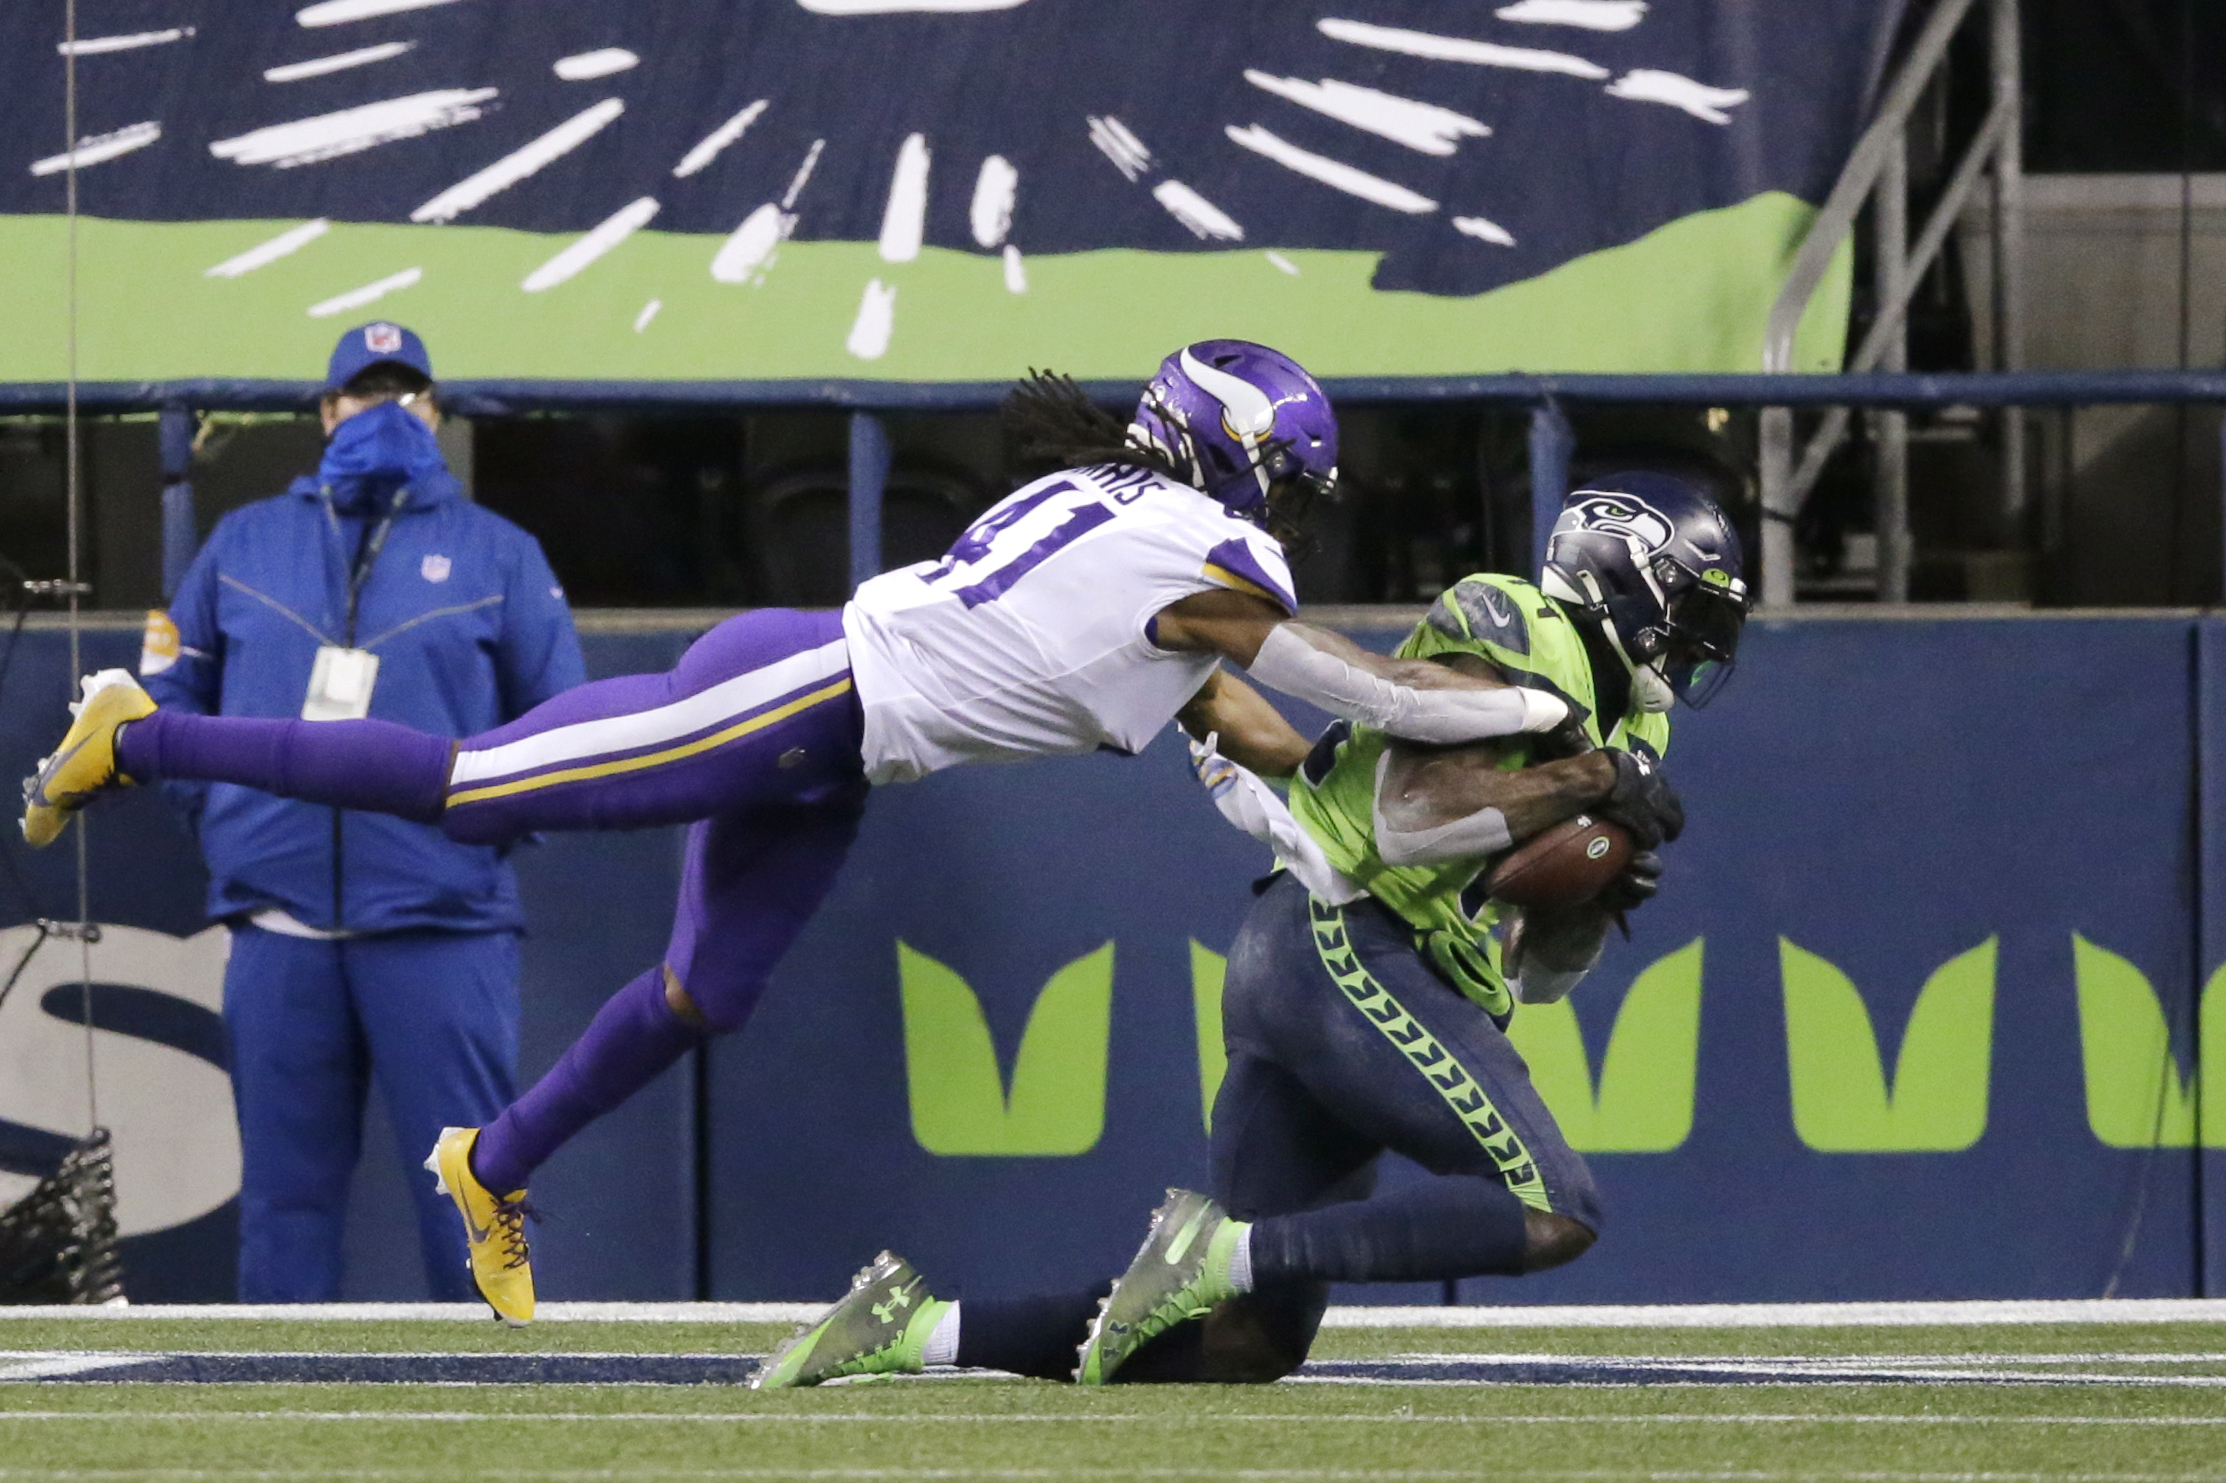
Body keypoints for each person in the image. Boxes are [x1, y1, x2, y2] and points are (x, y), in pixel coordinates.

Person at [22, 340, 1579, 1324]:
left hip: (834, 738)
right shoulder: (1194, 548)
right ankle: (141, 731)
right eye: (1285, 482)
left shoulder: (1145, 537)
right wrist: (1536, 732)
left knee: (707, 991)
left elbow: (1256, 733)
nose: (1291, 514)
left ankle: (490, 1165)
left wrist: (1395, 814)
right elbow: (1365, 692)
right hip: (799, 695)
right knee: (468, 782)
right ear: (1231, 462)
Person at [749, 472, 1749, 1388]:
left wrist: (1592, 898)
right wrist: (1584, 782)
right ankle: (1209, 1249)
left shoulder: (1639, 730)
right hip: (1350, 940)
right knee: (1554, 1205)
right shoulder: (1523, 622)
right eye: (1695, 606)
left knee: (1238, 1342)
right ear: (1625, 574)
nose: (1702, 638)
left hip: (1337, 964)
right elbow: (1406, 825)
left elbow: (1537, 980)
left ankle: (912, 1331)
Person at [120, 322, 585, 1302]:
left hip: (441, 925)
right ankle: (276, 1430)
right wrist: (226, 813)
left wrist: (478, 831)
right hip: (279, 921)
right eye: (363, 393)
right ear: (326, 412)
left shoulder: (499, 552)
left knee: (475, 1201)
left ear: (437, 410)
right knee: (283, 1206)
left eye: (405, 392)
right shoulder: (245, 540)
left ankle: (503, 1419)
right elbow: (167, 695)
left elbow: (565, 727)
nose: (384, 410)